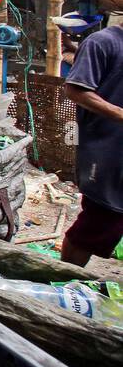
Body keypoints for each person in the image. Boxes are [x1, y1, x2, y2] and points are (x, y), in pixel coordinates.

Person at [61, 22, 123, 267]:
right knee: (99, 220)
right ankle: (64, 281)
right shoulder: (103, 42)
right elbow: (76, 90)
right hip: (106, 149)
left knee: (110, 225)